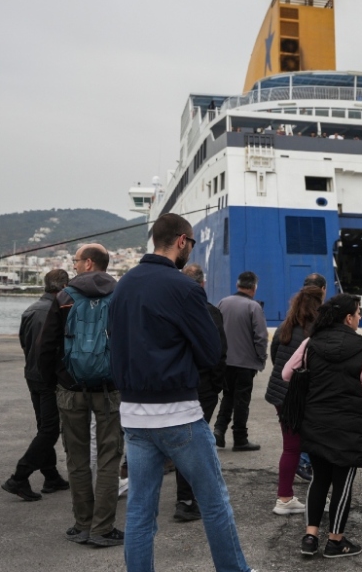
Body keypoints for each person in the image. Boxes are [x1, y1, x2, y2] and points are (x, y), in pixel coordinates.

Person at [108, 213, 250, 572]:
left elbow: (115, 343)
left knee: (140, 511)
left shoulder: (123, 285)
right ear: (182, 241)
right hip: (179, 415)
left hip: (134, 416)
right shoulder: (184, 288)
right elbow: (209, 351)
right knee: (214, 503)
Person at [37, 244, 122, 547]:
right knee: (110, 458)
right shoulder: (121, 296)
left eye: (75, 261)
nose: (73, 266)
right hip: (111, 389)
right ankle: (103, 528)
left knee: (77, 458)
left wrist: (53, 384)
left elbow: (46, 347)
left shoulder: (64, 297)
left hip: (71, 389)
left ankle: (82, 525)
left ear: (88, 263)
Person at [281, 294, 362, 559]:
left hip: (316, 421)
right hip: (348, 423)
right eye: (357, 314)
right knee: (343, 483)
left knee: (319, 479)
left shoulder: (311, 342)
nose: (359, 318)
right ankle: (335, 541)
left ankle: (310, 537)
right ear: (348, 318)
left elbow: (287, 373)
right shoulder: (359, 345)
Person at [2, 269, 71, 501]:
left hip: (31, 374)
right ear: (62, 288)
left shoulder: (30, 309)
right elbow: (53, 348)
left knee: (44, 427)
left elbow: (25, 343)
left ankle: (51, 476)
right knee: (50, 430)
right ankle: (19, 476)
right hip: (48, 377)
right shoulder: (55, 311)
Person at [172, 263, 229, 523]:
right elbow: (219, 353)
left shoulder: (170, 311)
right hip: (202, 387)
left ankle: (186, 497)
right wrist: (216, 386)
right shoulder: (210, 312)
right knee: (192, 441)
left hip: (177, 385)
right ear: (203, 284)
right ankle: (186, 500)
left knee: (180, 439)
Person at [265, 283, 324, 516]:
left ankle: (285, 497)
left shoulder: (284, 327)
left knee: (290, 447)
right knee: (318, 447)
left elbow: (275, 357)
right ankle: (319, 497)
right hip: (306, 397)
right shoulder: (317, 331)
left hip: (281, 394)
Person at [213, 271, 268, 452]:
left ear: (238, 286)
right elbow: (260, 337)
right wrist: (261, 358)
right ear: (254, 288)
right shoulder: (253, 307)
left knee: (227, 397)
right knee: (242, 400)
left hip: (226, 362)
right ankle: (240, 438)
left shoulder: (222, 303)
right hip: (245, 363)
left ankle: (219, 430)